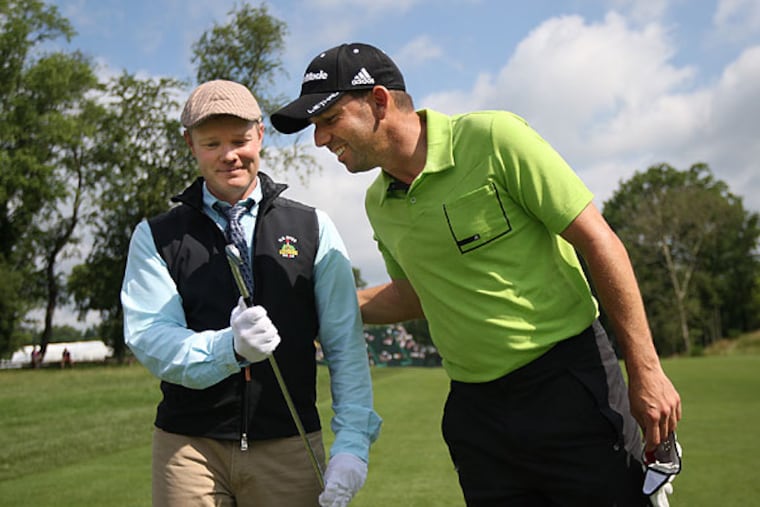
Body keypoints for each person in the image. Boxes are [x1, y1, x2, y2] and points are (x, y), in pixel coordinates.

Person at [271, 43, 682, 506]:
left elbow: (597, 239)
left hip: (569, 383)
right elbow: (415, 295)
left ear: (379, 102)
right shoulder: (377, 204)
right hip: (478, 415)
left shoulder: (493, 138)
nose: (320, 140)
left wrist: (645, 368)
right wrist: (323, 304)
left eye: (329, 121)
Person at [121, 79, 381, 507]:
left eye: (241, 140)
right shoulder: (157, 236)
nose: (230, 155)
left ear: (260, 134)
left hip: (289, 441)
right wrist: (230, 348)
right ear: (190, 144)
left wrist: (353, 442)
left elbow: (344, 344)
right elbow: (151, 337)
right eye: (212, 143)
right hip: (189, 446)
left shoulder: (313, 228)